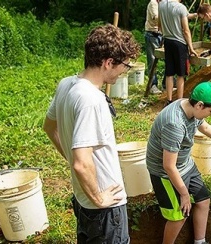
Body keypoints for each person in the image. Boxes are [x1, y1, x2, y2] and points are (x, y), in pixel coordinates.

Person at [43, 24, 141, 243]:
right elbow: (81, 163)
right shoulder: (91, 100)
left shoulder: (66, 84)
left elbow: (49, 127)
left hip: (83, 200)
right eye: (124, 65)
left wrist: (72, 159)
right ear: (108, 63)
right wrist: (99, 197)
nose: (125, 71)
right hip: (105, 208)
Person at [146, 82, 211, 244]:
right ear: (200, 105)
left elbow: (205, 127)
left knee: (203, 200)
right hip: (164, 173)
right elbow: (168, 166)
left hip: (185, 164)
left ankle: (199, 242)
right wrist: (184, 194)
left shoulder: (192, 109)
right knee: (179, 216)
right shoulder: (174, 124)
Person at [159, 0, 198, 104]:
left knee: (169, 73)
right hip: (179, 44)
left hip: (168, 42)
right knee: (181, 74)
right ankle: (179, 101)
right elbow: (186, 30)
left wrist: (193, 15)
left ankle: (169, 100)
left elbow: (159, 24)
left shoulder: (162, 4)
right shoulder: (181, 7)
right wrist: (191, 47)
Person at [145, 0, 164, 94]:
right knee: (152, 60)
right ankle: (153, 85)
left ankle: (166, 84)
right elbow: (155, 17)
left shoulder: (163, 3)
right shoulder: (153, 3)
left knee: (168, 59)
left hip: (161, 34)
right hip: (152, 34)